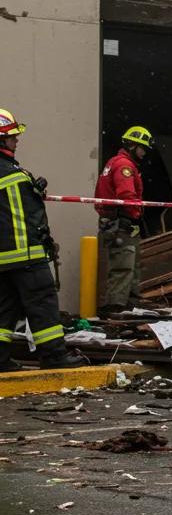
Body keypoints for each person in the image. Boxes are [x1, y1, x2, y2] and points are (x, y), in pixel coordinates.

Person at [0, 108, 88, 371]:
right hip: (25, 255)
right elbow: (26, 216)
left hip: (3, 261)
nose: (17, 140)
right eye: (12, 136)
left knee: (4, 310)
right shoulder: (12, 173)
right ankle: (54, 357)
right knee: (43, 306)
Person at [94, 125, 152, 304]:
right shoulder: (125, 166)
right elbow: (126, 195)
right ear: (133, 145)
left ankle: (129, 306)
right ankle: (116, 309)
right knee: (123, 269)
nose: (144, 153)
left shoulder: (114, 162)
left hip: (114, 223)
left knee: (128, 267)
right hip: (122, 225)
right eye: (143, 148)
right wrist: (136, 214)